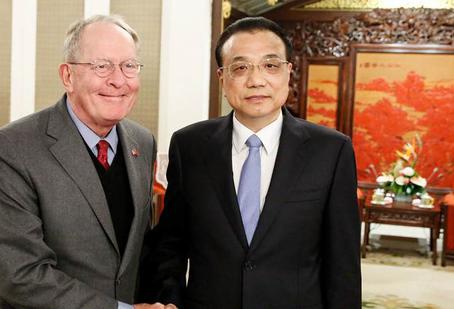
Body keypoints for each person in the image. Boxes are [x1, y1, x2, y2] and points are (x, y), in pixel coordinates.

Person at [142, 17, 361, 308]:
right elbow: (171, 243)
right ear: (222, 78)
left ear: (288, 73)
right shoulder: (190, 146)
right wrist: (168, 300)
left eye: (270, 65)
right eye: (241, 67)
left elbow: (342, 263)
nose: (256, 80)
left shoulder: (331, 151)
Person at [0, 15, 168, 309]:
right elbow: (22, 276)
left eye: (129, 66)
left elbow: (134, 251)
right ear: (68, 76)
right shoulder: (12, 147)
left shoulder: (142, 142)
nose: (118, 80)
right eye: (101, 66)